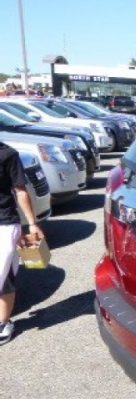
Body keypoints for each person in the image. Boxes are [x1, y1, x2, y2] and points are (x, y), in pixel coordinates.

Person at [0, 142, 44, 344]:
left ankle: (3, 323)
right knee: (5, 275)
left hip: (5, 224)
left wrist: (32, 224)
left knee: (3, 275)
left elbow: (20, 190)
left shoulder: (8, 154)